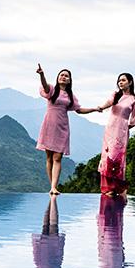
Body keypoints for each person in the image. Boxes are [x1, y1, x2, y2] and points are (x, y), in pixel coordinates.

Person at [35, 63, 99, 195]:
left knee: (58, 157)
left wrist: (94, 109)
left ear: (70, 80)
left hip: (62, 127)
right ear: (58, 77)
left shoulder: (70, 96)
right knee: (49, 157)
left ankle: (54, 186)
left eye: (66, 76)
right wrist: (42, 74)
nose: (64, 77)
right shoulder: (52, 90)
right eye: (62, 75)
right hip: (49, 125)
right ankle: (51, 186)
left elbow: (79, 110)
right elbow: (45, 87)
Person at [98, 72, 135, 196]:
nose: (120, 82)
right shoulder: (115, 95)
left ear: (130, 82)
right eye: (119, 81)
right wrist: (100, 107)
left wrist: (124, 128)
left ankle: (118, 188)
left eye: (123, 80)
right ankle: (108, 188)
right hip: (110, 129)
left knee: (118, 158)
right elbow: (107, 103)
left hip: (122, 131)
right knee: (108, 157)